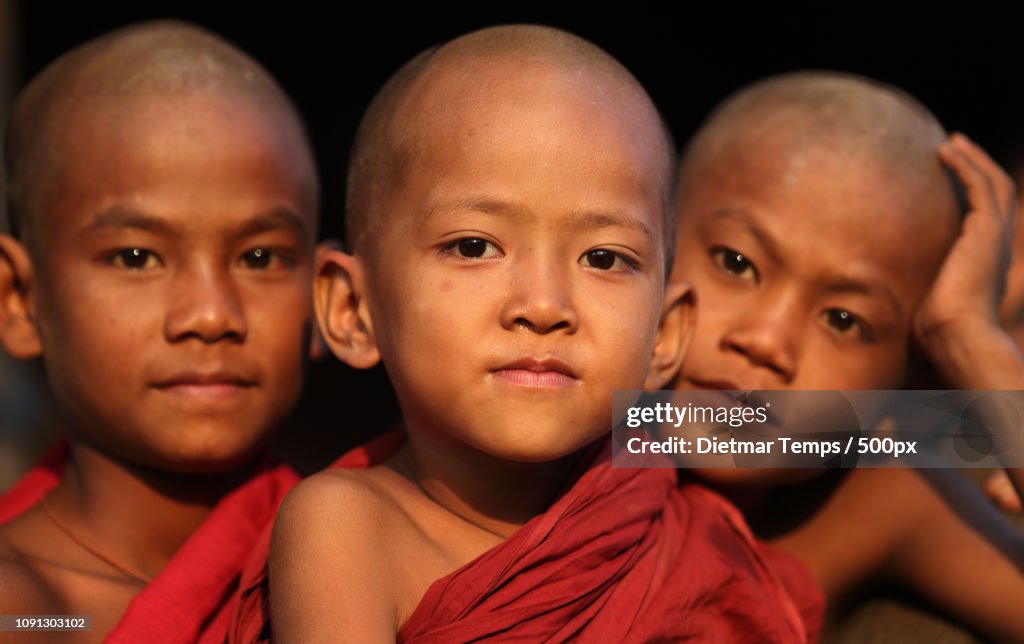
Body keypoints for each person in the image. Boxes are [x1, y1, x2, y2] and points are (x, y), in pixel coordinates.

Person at [255, 25, 823, 643]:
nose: (545, 306)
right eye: (474, 246)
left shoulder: (687, 533)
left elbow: (928, 448)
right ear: (353, 308)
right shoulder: (348, 527)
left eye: (605, 258)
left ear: (664, 333)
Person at [669, 71, 1024, 641]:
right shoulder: (551, 414)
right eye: (736, 263)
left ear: (901, 390)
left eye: (844, 320)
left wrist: (975, 342)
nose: (766, 341)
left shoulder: (877, 497)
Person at [0, 20, 318, 641]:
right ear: (19, 300)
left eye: (260, 257)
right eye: (136, 257)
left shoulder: (382, 572)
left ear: (332, 297)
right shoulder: (29, 609)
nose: (209, 316)